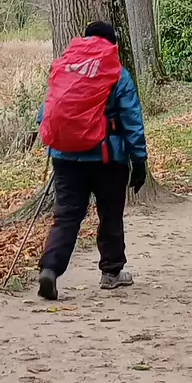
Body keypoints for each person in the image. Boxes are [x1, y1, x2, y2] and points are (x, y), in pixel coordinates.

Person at [35, 21, 150, 300]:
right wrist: (140, 159)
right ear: (112, 44)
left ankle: (49, 269)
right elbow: (131, 119)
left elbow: (45, 112)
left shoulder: (64, 66)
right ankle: (111, 273)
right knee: (110, 212)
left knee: (66, 216)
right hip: (108, 157)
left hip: (65, 157)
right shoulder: (117, 73)